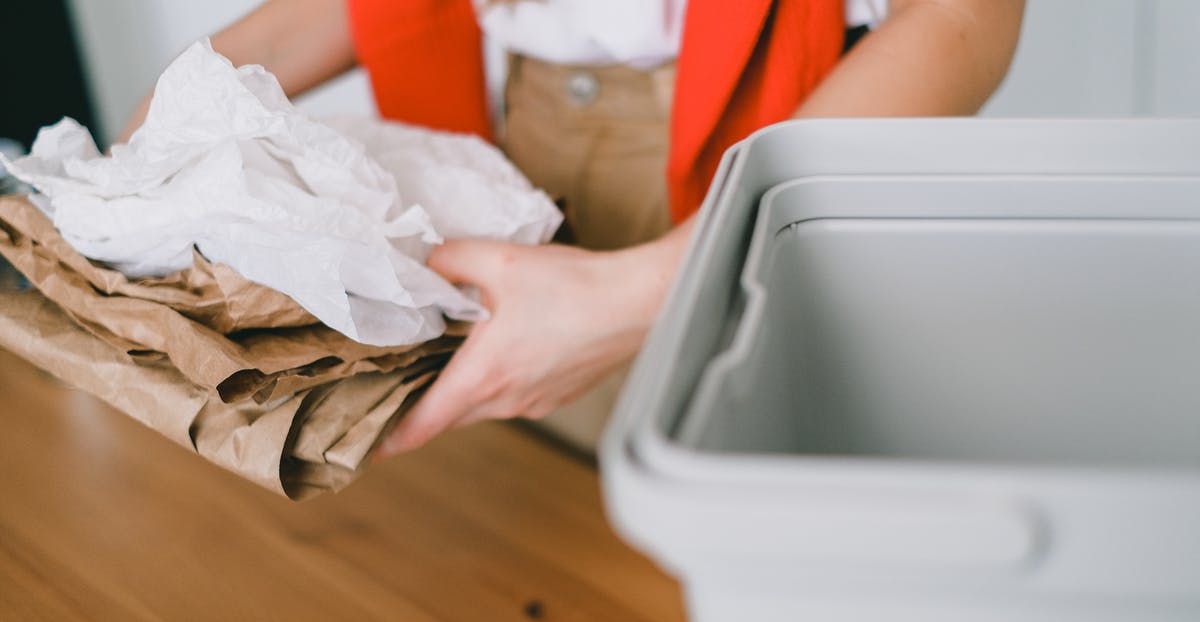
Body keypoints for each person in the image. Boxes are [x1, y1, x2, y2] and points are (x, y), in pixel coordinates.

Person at [116, 0, 1025, 457]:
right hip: (529, 142)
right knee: (560, 511)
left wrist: (660, 283)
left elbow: (966, 14)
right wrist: (190, 100)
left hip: (796, 140)